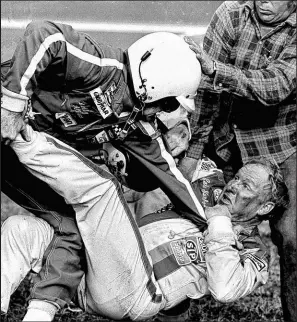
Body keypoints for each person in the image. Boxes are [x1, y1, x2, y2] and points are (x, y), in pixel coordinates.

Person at [1, 20, 204, 321]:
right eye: (168, 103)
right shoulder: (105, 67)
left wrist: (210, 226)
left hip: (15, 155)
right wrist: (12, 104)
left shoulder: (135, 125)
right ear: (156, 87)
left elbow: (172, 178)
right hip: (9, 127)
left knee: (71, 227)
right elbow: (46, 34)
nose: (164, 112)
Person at [2, 126, 289, 321]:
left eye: (246, 186)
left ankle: (23, 138)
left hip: (137, 291)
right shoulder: (206, 185)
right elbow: (145, 187)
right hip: (91, 266)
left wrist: (221, 225)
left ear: (265, 207)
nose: (233, 186)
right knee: (20, 229)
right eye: (237, 177)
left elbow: (224, 289)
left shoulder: (254, 253)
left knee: (102, 192)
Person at [183, 1, 296, 320]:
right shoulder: (231, 13)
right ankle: (170, 302)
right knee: (183, 204)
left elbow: (277, 85)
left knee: (293, 236)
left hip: (279, 141)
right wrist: (192, 153)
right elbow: (205, 90)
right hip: (224, 138)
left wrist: (217, 70)